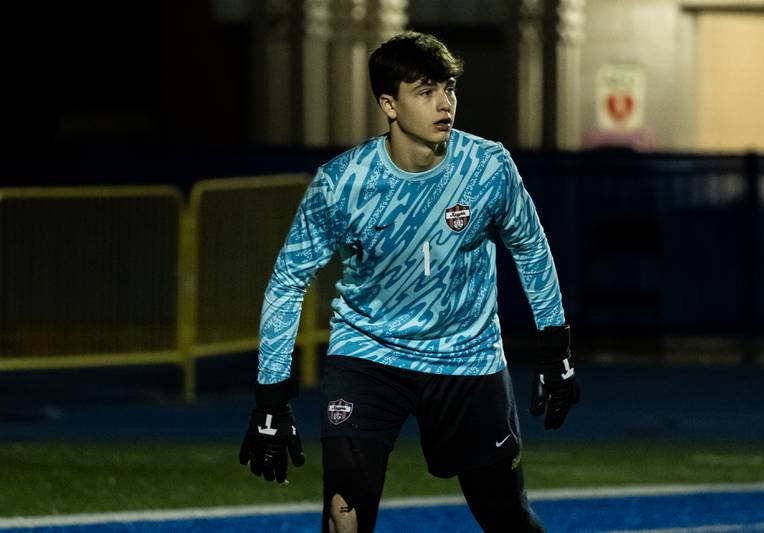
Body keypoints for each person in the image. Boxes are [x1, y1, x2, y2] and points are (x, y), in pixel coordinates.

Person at [239, 31, 580, 533]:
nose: (445, 103)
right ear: (389, 104)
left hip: (468, 357)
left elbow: (530, 248)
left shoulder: (487, 167)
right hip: (369, 357)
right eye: (425, 91)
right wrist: (271, 399)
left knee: (506, 518)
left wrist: (557, 350)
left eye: (449, 87)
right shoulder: (343, 182)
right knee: (344, 513)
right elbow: (288, 281)